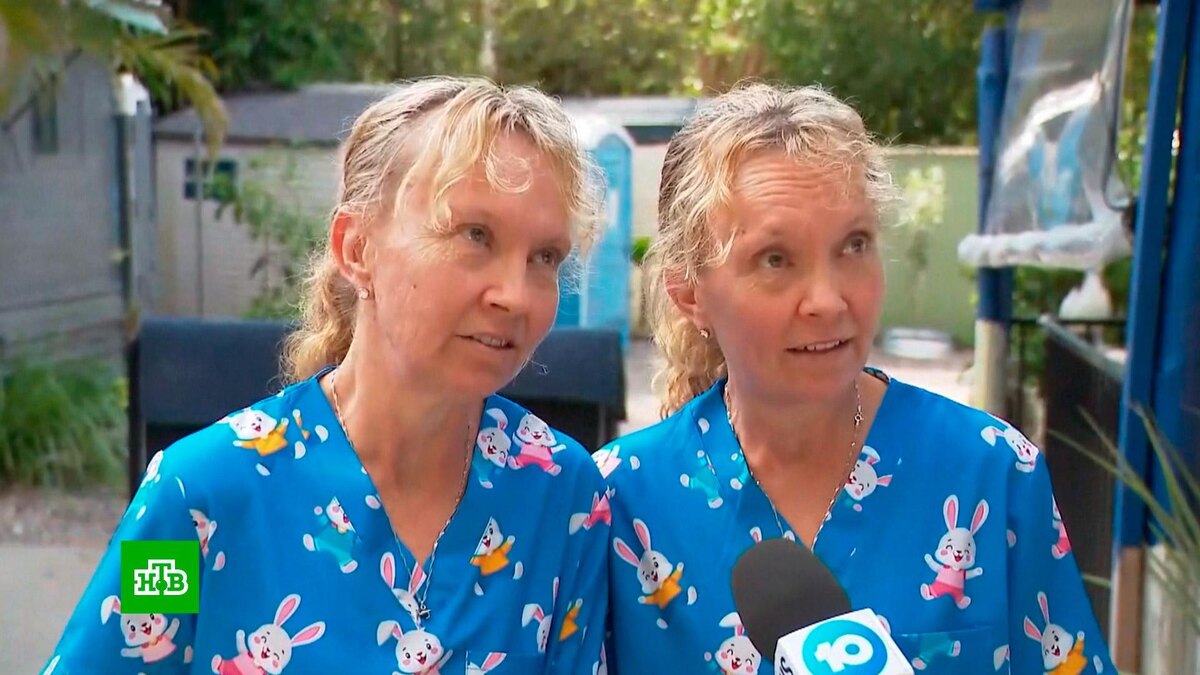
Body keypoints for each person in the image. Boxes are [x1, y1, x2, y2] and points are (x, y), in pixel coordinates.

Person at [43, 76, 610, 675]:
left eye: (545, 257)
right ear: (357, 249)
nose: (515, 295)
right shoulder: (194, 502)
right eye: (476, 235)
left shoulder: (562, 498)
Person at [599, 82, 1114, 674]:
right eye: (775, 259)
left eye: (853, 245)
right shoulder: (619, 502)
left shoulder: (991, 474)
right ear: (690, 293)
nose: (827, 300)